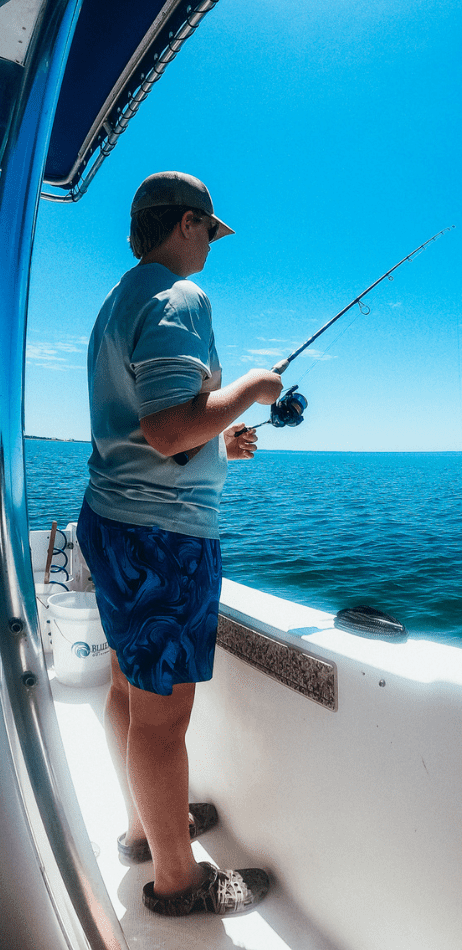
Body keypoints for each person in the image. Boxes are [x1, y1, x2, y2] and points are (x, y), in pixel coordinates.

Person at [76, 171, 283, 917]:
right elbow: (168, 433)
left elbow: (157, 426)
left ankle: (144, 829)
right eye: (208, 232)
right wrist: (256, 386)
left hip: (113, 521)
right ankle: (177, 881)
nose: (210, 248)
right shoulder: (178, 296)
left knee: (129, 688)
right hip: (163, 542)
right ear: (189, 222)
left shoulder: (117, 300)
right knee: (164, 720)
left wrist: (221, 441)